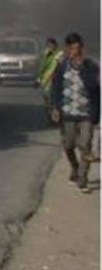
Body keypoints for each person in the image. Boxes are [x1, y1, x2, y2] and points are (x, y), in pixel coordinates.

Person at [50, 32, 100, 193]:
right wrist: (55, 107)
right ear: (67, 49)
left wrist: (81, 68)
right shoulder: (61, 66)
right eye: (72, 49)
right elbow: (55, 88)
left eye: (78, 48)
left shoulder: (91, 66)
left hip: (86, 114)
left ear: (82, 49)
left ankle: (82, 179)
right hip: (68, 114)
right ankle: (75, 167)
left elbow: (94, 87)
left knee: (85, 146)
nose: (75, 52)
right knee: (69, 145)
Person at [38, 37, 63, 123]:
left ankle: (57, 115)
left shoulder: (60, 54)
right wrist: (38, 79)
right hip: (46, 81)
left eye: (52, 44)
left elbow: (62, 64)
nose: (50, 46)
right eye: (48, 44)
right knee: (47, 99)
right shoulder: (45, 54)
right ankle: (50, 115)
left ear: (55, 45)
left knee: (56, 98)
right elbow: (42, 67)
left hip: (57, 79)